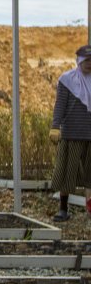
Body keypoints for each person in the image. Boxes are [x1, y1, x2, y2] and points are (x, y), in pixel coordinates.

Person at [50, 44, 91, 222]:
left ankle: (90, 208)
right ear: (80, 61)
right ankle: (63, 209)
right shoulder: (67, 80)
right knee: (67, 173)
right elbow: (60, 105)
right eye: (87, 60)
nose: (89, 64)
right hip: (72, 133)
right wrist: (55, 126)